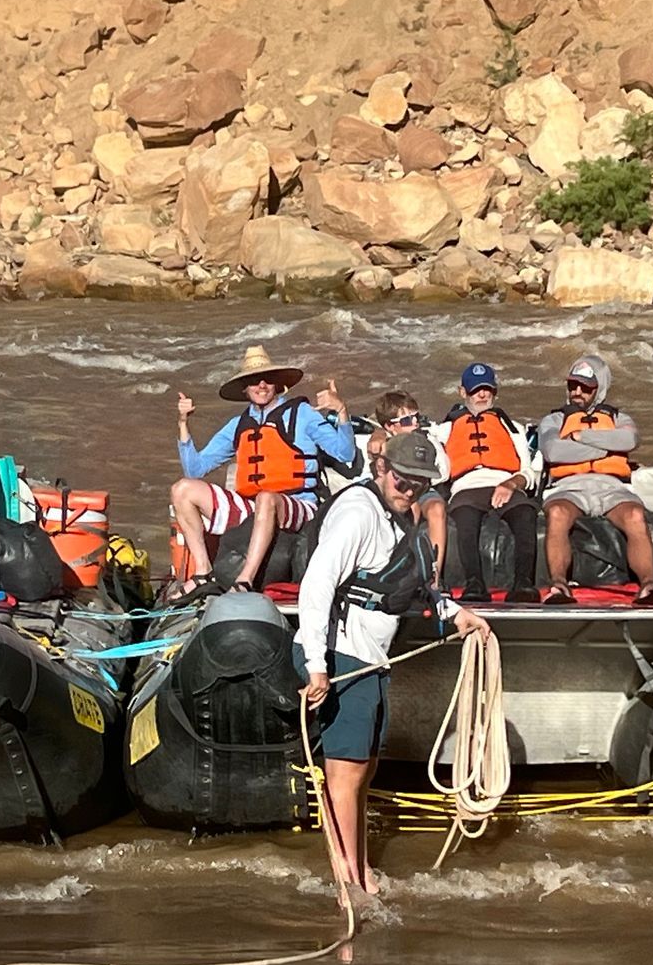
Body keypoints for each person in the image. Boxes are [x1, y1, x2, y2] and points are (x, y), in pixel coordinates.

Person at [296, 431, 488, 895]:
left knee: (365, 770)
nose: (409, 489)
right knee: (345, 773)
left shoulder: (401, 518)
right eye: (403, 479)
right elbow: (317, 584)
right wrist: (317, 665)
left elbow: (414, 588)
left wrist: (457, 615)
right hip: (343, 655)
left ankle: (358, 868)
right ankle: (348, 883)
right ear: (382, 468)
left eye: (419, 483)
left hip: (373, 658)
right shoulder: (358, 513)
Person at [171, 344, 357, 592]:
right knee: (182, 489)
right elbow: (195, 470)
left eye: (267, 379)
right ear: (245, 388)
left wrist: (341, 410)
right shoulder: (238, 424)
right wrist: (183, 423)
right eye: (253, 381)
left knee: (267, 498)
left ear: (277, 384)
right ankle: (203, 571)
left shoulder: (302, 414)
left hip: (299, 505)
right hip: (252, 507)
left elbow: (345, 452)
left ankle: (245, 579)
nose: (261, 385)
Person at [537, 354, 653, 606]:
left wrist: (579, 436)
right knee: (557, 513)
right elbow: (554, 451)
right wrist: (605, 449)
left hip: (611, 486)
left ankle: (650, 585)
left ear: (599, 390)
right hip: (569, 487)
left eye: (585, 387)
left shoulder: (619, 419)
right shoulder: (554, 420)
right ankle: (559, 585)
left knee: (635, 516)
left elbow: (629, 440)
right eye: (573, 386)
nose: (577, 392)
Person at [431, 362, 542, 602]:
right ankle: (474, 584)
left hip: (506, 484)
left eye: (487, 389)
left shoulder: (513, 428)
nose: (482, 395)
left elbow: (528, 471)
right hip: (466, 488)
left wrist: (511, 484)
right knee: (464, 517)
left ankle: (523, 583)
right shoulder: (444, 430)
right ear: (463, 392)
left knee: (525, 513)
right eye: (475, 390)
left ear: (495, 392)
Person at [370, 391, 448, 586]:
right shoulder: (384, 444)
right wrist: (378, 437)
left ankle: (434, 577)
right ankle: (405, 569)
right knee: (409, 506)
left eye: (416, 417)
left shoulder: (427, 439)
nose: (414, 423)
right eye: (406, 420)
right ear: (390, 426)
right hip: (396, 489)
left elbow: (444, 471)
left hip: (423, 488)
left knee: (437, 509)